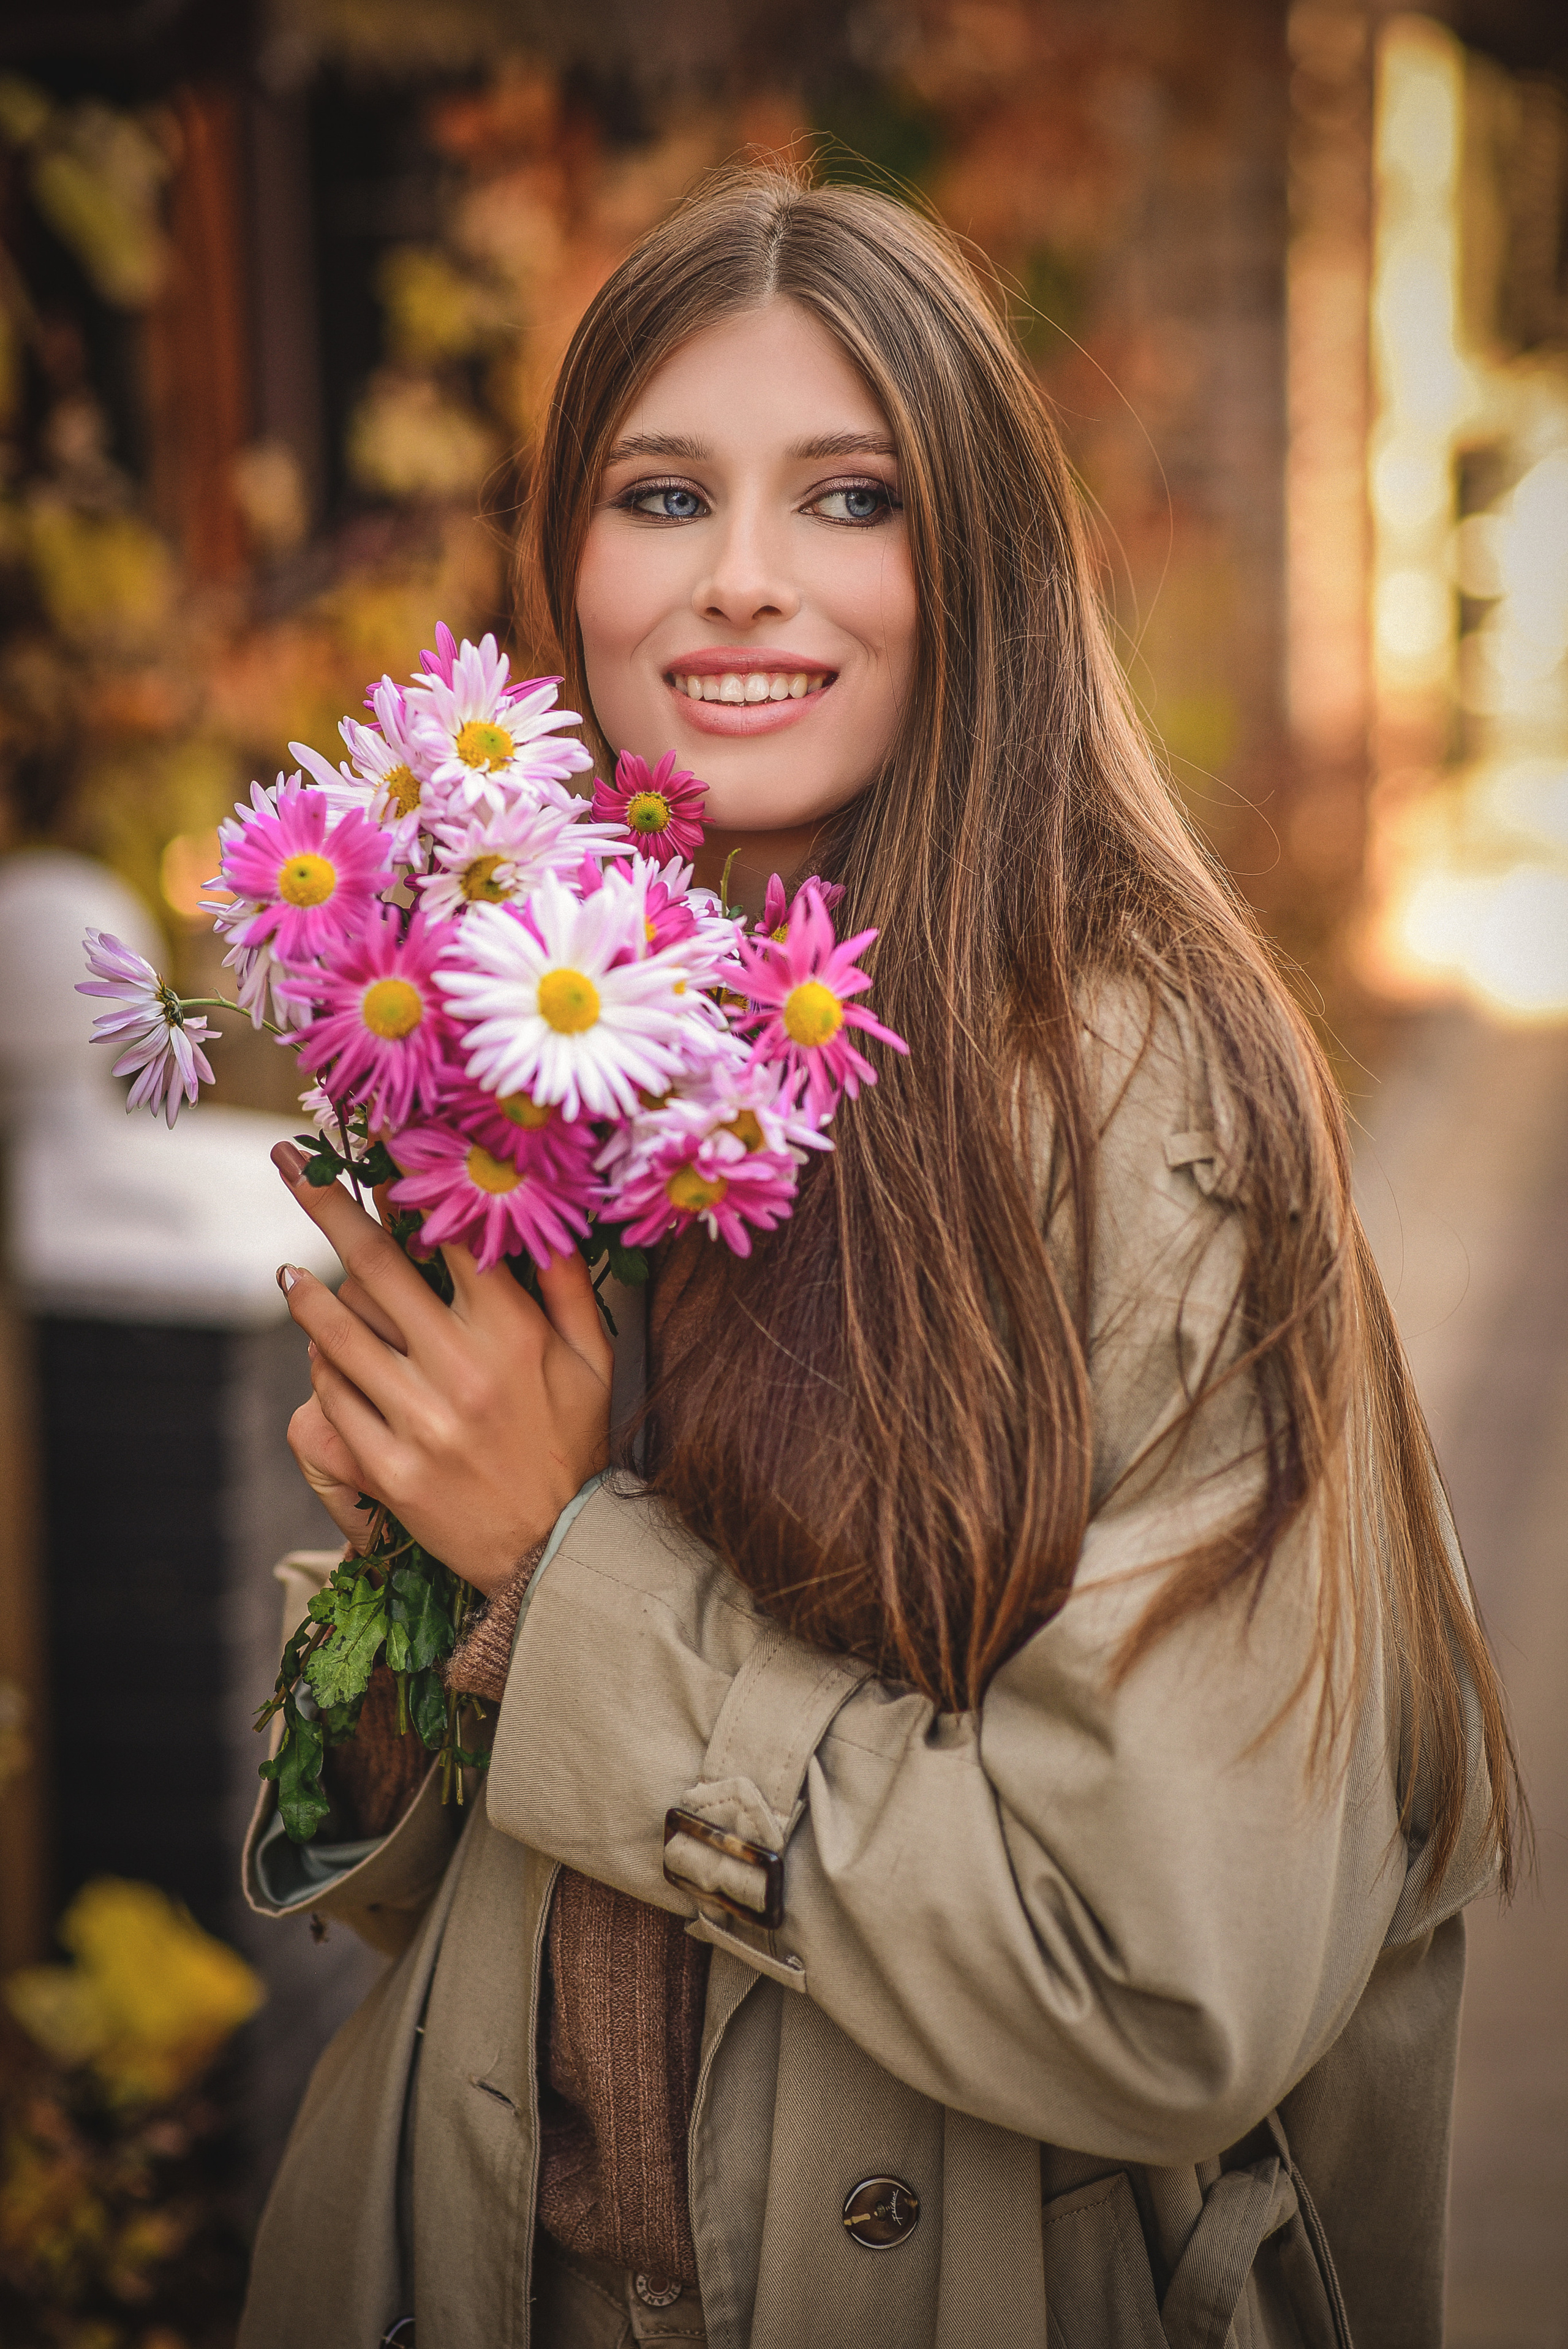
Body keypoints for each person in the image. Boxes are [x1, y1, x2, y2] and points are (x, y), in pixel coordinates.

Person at [238, 165, 1520, 2349]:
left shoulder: (1147, 1107)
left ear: (983, 567)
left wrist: (558, 1581)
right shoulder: (566, 1034)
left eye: (848, 498)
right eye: (662, 495)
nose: (741, 582)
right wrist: (411, 1596)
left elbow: (1159, 1971)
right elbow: (478, 1892)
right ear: (567, 561)